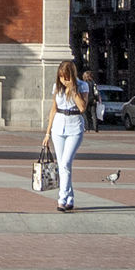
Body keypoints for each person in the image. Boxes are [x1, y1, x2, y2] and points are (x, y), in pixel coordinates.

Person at [49, 60, 94, 213]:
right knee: (62, 165)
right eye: (61, 77)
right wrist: (47, 133)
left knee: (66, 163)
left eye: (66, 77)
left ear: (72, 75)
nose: (63, 80)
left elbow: (82, 107)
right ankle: (70, 198)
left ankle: (61, 199)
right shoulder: (57, 87)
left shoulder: (82, 86)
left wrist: (73, 90)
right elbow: (53, 110)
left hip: (74, 126)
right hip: (58, 127)